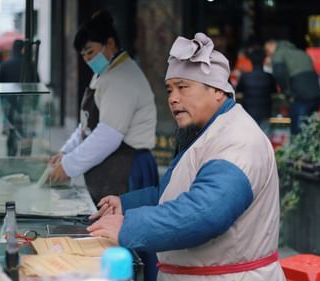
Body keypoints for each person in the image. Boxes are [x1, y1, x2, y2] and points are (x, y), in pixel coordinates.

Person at [87, 33, 285, 281]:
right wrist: (126, 204)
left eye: (183, 87)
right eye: (170, 89)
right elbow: (177, 193)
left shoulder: (238, 140)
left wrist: (129, 227)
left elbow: (204, 212)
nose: (173, 98)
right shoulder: (209, 130)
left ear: (217, 91)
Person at [48, 11, 158, 202]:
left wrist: (68, 166)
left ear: (110, 43)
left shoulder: (122, 78)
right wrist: (65, 151)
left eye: (90, 52)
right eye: (83, 55)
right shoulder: (104, 73)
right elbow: (86, 126)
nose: (87, 59)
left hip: (129, 167)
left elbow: (108, 136)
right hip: (112, 166)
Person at [264, 39, 320, 134]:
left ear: (271, 46)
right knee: (311, 129)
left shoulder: (278, 54)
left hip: (300, 95)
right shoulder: (301, 52)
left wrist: (286, 92)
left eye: (267, 51)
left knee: (297, 132)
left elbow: (279, 74)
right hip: (316, 94)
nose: (267, 54)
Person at [236, 49, 276, 133]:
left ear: (251, 61)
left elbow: (238, 90)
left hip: (248, 112)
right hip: (265, 111)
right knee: (265, 138)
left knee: (249, 138)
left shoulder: (245, 76)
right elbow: (275, 91)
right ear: (263, 61)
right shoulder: (269, 76)